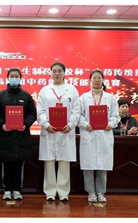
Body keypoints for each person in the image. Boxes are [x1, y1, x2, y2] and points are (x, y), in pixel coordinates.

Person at [37, 62, 81, 202]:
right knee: (49, 162)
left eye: (59, 71)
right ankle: (50, 191)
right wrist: (46, 125)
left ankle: (63, 192)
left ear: (64, 72)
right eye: (54, 71)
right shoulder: (45, 90)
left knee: (64, 162)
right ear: (50, 73)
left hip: (66, 131)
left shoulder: (72, 90)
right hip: (49, 131)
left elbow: (76, 110)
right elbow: (40, 111)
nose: (57, 74)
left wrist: (71, 125)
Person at [0, 68, 37, 200]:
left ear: (20, 78)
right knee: (6, 164)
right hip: (6, 136)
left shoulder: (26, 96)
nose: (14, 78)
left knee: (18, 165)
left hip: (22, 137)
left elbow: (32, 113)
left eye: (16, 76)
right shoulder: (1, 96)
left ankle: (17, 190)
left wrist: (25, 123)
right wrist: (2, 124)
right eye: (12, 76)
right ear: (8, 78)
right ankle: (7, 189)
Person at [79, 70, 119, 203]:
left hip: (104, 134)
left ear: (103, 80)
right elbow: (78, 115)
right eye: (94, 78)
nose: (97, 80)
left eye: (99, 78)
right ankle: (91, 192)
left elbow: (115, 115)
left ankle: (101, 192)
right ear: (90, 80)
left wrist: (111, 124)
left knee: (103, 165)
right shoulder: (83, 98)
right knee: (88, 166)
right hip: (89, 133)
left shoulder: (110, 98)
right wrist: (85, 124)